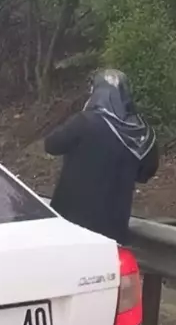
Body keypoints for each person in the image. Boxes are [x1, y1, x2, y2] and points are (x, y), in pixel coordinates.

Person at [44, 68, 159, 244]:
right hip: (113, 230)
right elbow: (146, 173)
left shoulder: (84, 122)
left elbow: (51, 145)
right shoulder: (141, 132)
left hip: (70, 225)